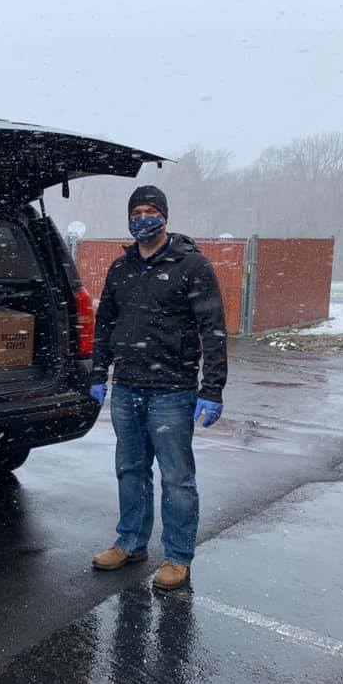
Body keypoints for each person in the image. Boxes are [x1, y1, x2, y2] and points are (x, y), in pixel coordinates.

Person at [89, 185, 227, 591]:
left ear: (164, 216)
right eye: (136, 212)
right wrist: (99, 374)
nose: (142, 218)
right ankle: (130, 542)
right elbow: (105, 325)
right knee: (130, 469)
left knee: (176, 477)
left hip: (172, 390)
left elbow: (213, 330)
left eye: (150, 211)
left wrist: (212, 388)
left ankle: (178, 557)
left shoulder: (192, 266)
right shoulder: (121, 268)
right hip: (128, 387)